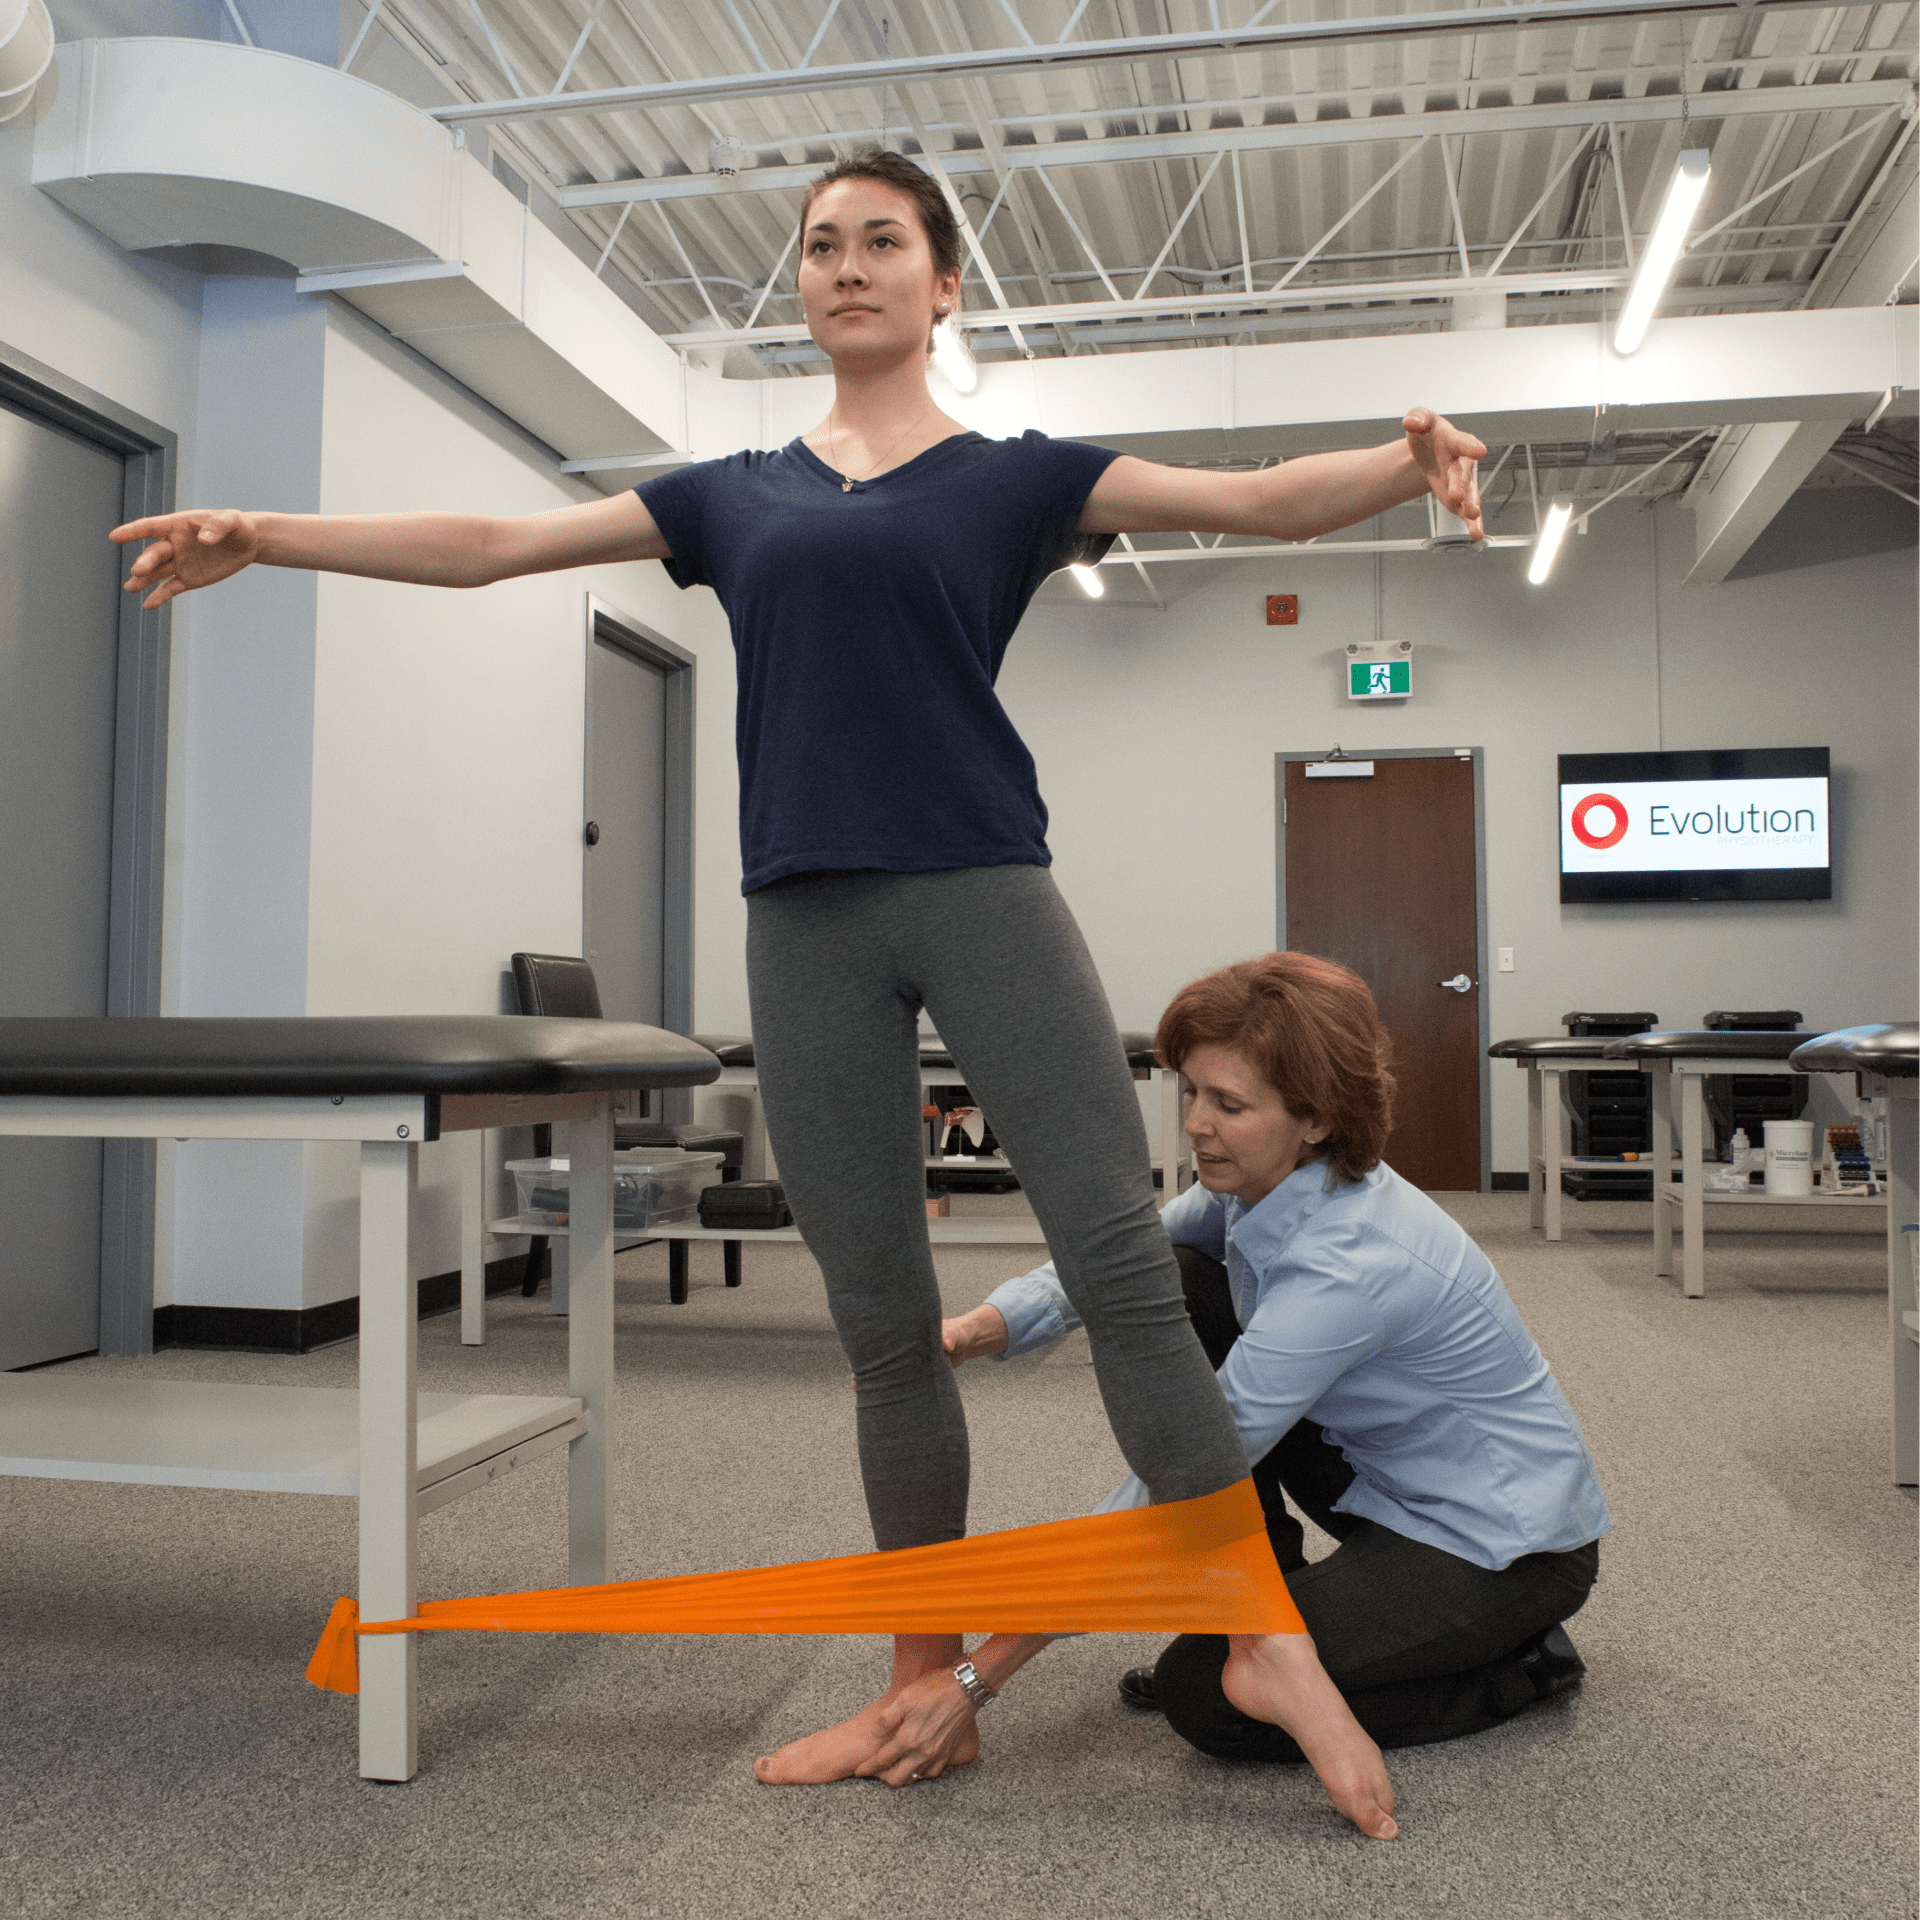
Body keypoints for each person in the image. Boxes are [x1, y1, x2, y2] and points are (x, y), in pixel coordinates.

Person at [112, 148, 1488, 1837]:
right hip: (804, 926)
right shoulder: (733, 495)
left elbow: (1257, 500)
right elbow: (493, 543)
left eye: (880, 242)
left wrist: (1402, 463)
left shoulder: (1014, 477)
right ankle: (924, 1687)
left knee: (1123, 1268)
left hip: (985, 889)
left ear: (942, 286)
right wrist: (271, 530)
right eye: (820, 244)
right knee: (883, 1331)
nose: (844, 266)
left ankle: (1256, 1628)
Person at [941, 949, 1609, 1769]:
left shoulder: (1352, 1265)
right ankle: (1275, 1593)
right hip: (1383, 1475)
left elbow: (1196, 1461)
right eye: (1190, 1090)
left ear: (1317, 1117)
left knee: (1208, 1696)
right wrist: (982, 1326)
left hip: (1497, 1546)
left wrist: (976, 1676)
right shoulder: (1266, 1180)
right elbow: (1123, 1259)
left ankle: (1525, 1669)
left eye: (1229, 1103)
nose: (1195, 1123)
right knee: (1182, 1282)